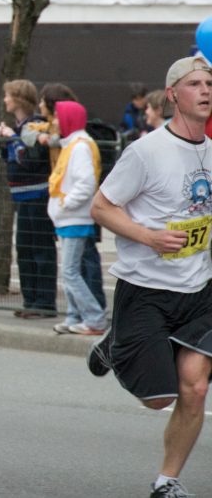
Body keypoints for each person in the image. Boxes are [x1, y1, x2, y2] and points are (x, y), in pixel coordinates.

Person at [88, 56, 212, 498]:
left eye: (210, 83)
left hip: (199, 289)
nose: (205, 90)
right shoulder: (145, 152)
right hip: (145, 291)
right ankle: (114, 345)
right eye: (195, 83)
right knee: (160, 398)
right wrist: (148, 236)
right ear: (173, 94)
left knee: (195, 388)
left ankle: (166, 482)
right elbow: (101, 207)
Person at [0, 80, 57, 318]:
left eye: (8, 96)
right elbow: (11, 158)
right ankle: (30, 299)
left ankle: (45, 302)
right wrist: (6, 141)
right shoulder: (19, 126)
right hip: (22, 194)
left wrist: (13, 138)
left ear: (19, 98)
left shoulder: (36, 126)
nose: (5, 100)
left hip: (39, 192)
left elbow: (30, 158)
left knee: (41, 248)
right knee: (24, 249)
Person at [46, 100, 105, 335]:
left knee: (70, 271)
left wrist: (65, 204)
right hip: (69, 218)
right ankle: (74, 316)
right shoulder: (76, 144)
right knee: (70, 270)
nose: (55, 122)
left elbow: (86, 183)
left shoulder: (79, 146)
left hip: (74, 217)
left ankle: (94, 318)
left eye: (58, 117)